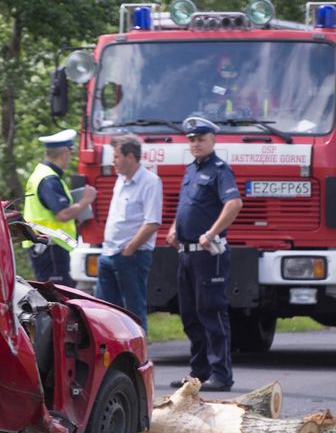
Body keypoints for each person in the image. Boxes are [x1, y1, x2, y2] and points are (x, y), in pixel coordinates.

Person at [165, 115, 243, 392]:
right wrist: (174, 228)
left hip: (209, 254)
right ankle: (199, 374)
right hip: (187, 254)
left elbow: (234, 204)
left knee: (211, 312)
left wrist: (211, 233)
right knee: (190, 315)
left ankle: (221, 375)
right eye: (192, 140)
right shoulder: (191, 170)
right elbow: (188, 205)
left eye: (201, 139)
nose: (196, 144)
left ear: (213, 140)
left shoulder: (220, 170)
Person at [95, 134, 162, 332]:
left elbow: (152, 222)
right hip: (108, 253)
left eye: (116, 156)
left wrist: (129, 249)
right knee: (105, 311)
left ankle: (139, 350)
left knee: (133, 312)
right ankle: (114, 349)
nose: (113, 161)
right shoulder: (121, 179)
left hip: (132, 257)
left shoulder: (150, 182)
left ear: (130, 157)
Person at [22, 128, 95, 283]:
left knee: (51, 291)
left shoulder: (41, 173)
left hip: (46, 245)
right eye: (70, 153)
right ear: (64, 154)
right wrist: (86, 200)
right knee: (58, 292)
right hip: (51, 247)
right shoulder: (49, 179)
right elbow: (62, 214)